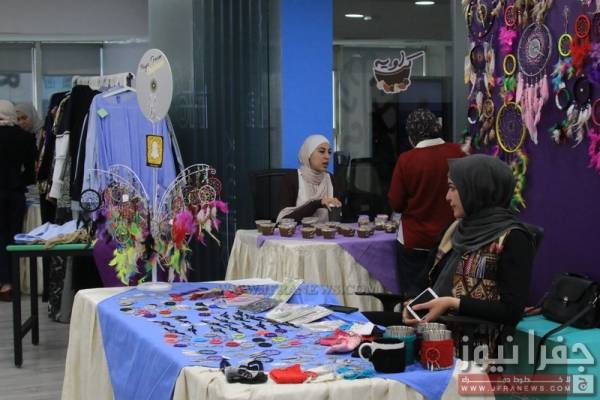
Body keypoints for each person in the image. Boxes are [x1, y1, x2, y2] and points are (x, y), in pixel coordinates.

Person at [403, 154, 536, 356]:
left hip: (474, 351)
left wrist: (452, 303)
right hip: (430, 334)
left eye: (453, 188)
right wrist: (412, 303)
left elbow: (511, 311)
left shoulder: (513, 238)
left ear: (477, 190)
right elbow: (426, 279)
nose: (447, 197)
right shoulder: (456, 229)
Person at [388, 108, 465, 297]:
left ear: (411, 136)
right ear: (437, 127)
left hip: (416, 240)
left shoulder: (407, 160)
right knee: (446, 295)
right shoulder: (459, 152)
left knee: (414, 299)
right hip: (451, 239)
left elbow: (396, 203)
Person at [0, 100, 38, 301]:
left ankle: (3, 282)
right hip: (16, 194)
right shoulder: (25, 137)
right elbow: (31, 171)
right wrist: (18, 181)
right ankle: (13, 282)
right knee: (13, 237)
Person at [277, 134, 342, 223]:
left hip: (325, 231)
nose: (327, 156)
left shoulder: (330, 178)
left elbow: (338, 218)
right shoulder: (292, 179)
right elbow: (283, 221)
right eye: (322, 151)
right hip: (298, 232)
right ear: (308, 154)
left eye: (329, 152)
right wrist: (317, 203)